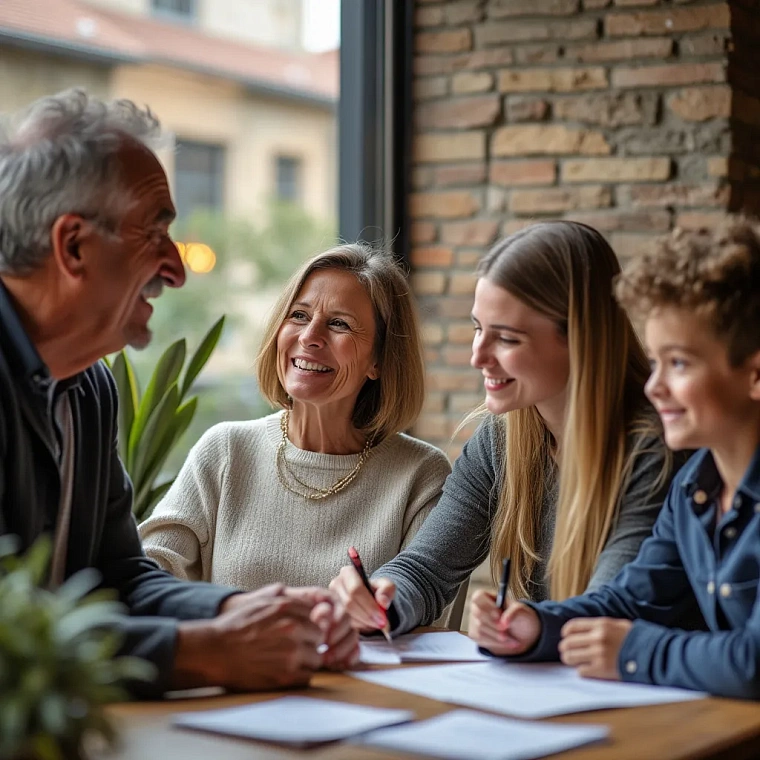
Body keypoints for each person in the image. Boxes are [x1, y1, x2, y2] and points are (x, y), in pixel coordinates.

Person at [0, 88, 357, 699]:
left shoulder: (87, 388)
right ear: (74, 246)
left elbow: (121, 579)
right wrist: (195, 655)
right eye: (154, 232)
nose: (177, 266)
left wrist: (248, 613)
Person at [331, 221, 680, 636]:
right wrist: (383, 597)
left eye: (507, 339)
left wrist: (529, 627)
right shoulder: (503, 438)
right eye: (479, 328)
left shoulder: (656, 448)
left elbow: (608, 612)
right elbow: (427, 568)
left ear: (580, 340)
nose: (478, 356)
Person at [469, 218, 760, 700]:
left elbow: (752, 662)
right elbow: (633, 599)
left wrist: (636, 651)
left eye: (680, 363)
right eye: (656, 360)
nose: (654, 386)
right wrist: (538, 626)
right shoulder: (694, 488)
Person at [139, 244, 451, 595]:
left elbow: (425, 622)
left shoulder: (422, 476)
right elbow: (149, 580)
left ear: (378, 359)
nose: (309, 337)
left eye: (338, 324)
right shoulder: (225, 450)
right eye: (299, 316)